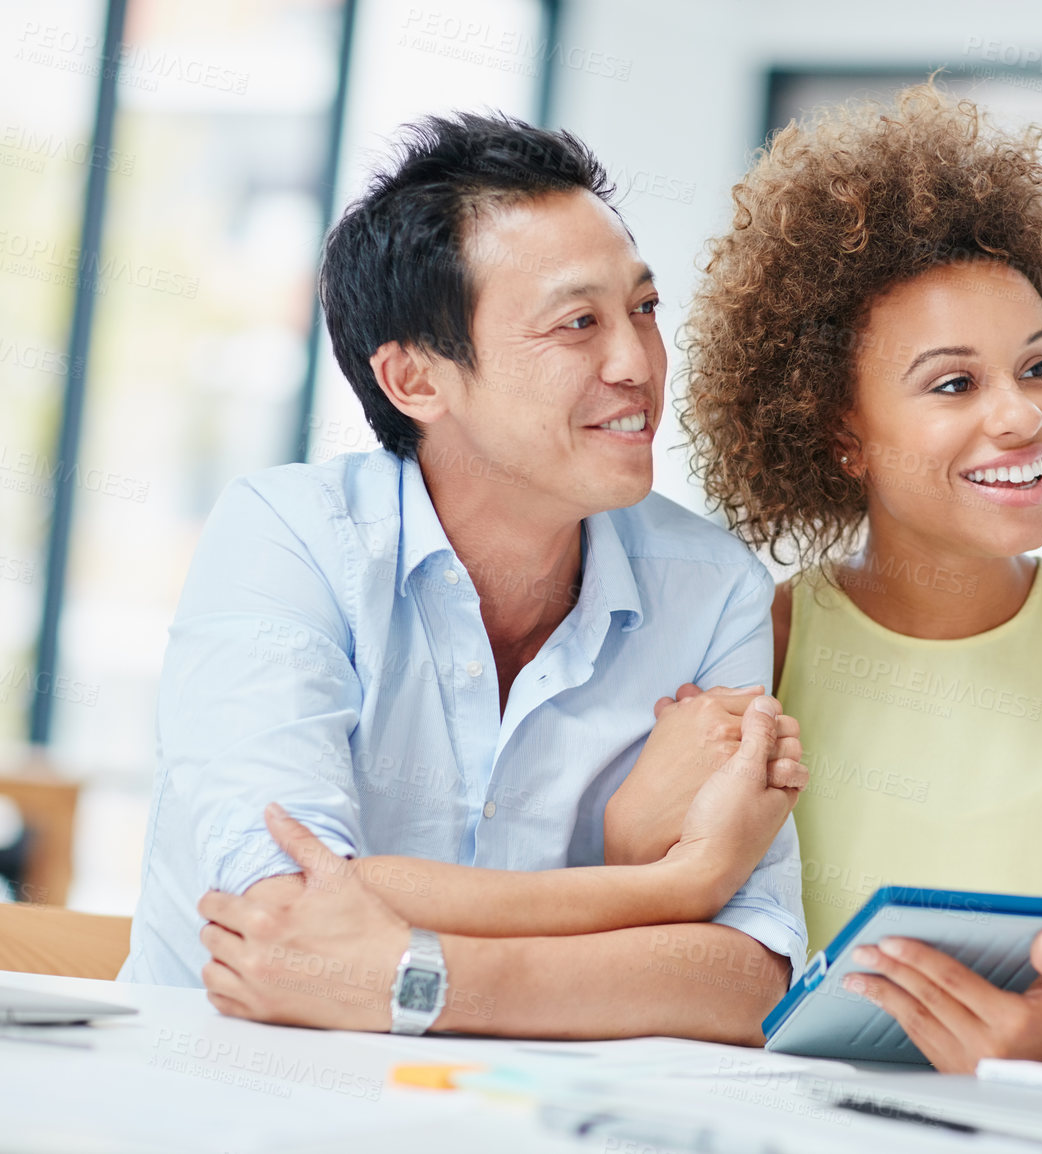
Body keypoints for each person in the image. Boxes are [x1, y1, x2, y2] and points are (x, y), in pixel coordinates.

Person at [120, 113, 812, 1043]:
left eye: (643, 310)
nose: (636, 363)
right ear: (415, 380)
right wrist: (667, 887)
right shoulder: (288, 535)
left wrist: (420, 977)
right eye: (578, 324)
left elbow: (748, 981)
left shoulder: (713, 587)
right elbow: (286, 905)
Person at [633, 85, 1042, 1070]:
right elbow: (670, 919)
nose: (1021, 418)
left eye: (1039, 367)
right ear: (841, 433)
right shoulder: (761, 642)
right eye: (954, 382)